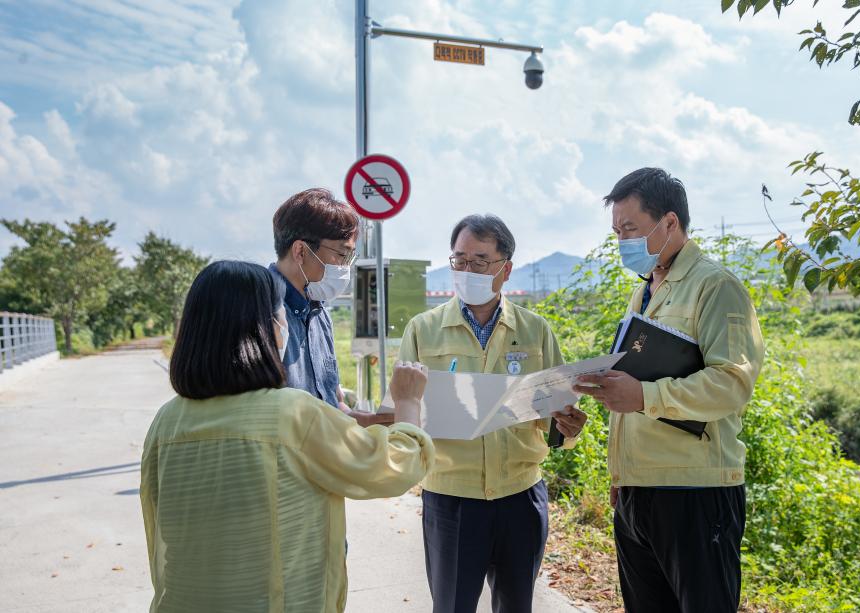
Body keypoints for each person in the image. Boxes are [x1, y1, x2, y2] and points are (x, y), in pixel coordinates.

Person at [140, 260, 434, 613]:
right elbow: (394, 467)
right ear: (265, 330)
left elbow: (158, 527)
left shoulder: (166, 421)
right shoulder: (293, 414)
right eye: (281, 317)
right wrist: (408, 403)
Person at [573, 168, 765, 613]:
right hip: (638, 492)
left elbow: (732, 383)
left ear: (670, 223)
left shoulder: (715, 287)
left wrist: (643, 396)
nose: (622, 241)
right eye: (617, 231)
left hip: (694, 492)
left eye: (630, 229)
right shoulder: (643, 293)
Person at [398, 214, 588, 613]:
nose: (467, 270)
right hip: (452, 498)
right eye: (459, 260)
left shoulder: (535, 331)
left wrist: (567, 426)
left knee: (517, 605)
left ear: (506, 268)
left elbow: (555, 415)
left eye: (480, 262)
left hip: (520, 495)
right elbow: (403, 410)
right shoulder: (423, 330)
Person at [270, 188, 392, 427]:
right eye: (342, 254)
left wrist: (374, 422)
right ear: (300, 251)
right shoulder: (259, 309)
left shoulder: (319, 312)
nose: (345, 267)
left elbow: (332, 403)